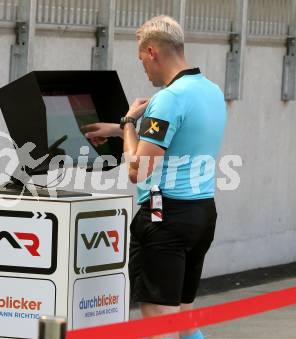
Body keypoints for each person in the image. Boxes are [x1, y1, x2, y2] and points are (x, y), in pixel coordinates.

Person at [83, 16, 227, 339]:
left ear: (152, 52)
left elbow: (138, 170)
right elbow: (176, 137)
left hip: (165, 220)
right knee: (184, 319)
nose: (144, 71)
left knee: (158, 325)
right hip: (201, 214)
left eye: (141, 62)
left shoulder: (168, 99)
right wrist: (118, 128)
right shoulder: (211, 91)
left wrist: (128, 123)